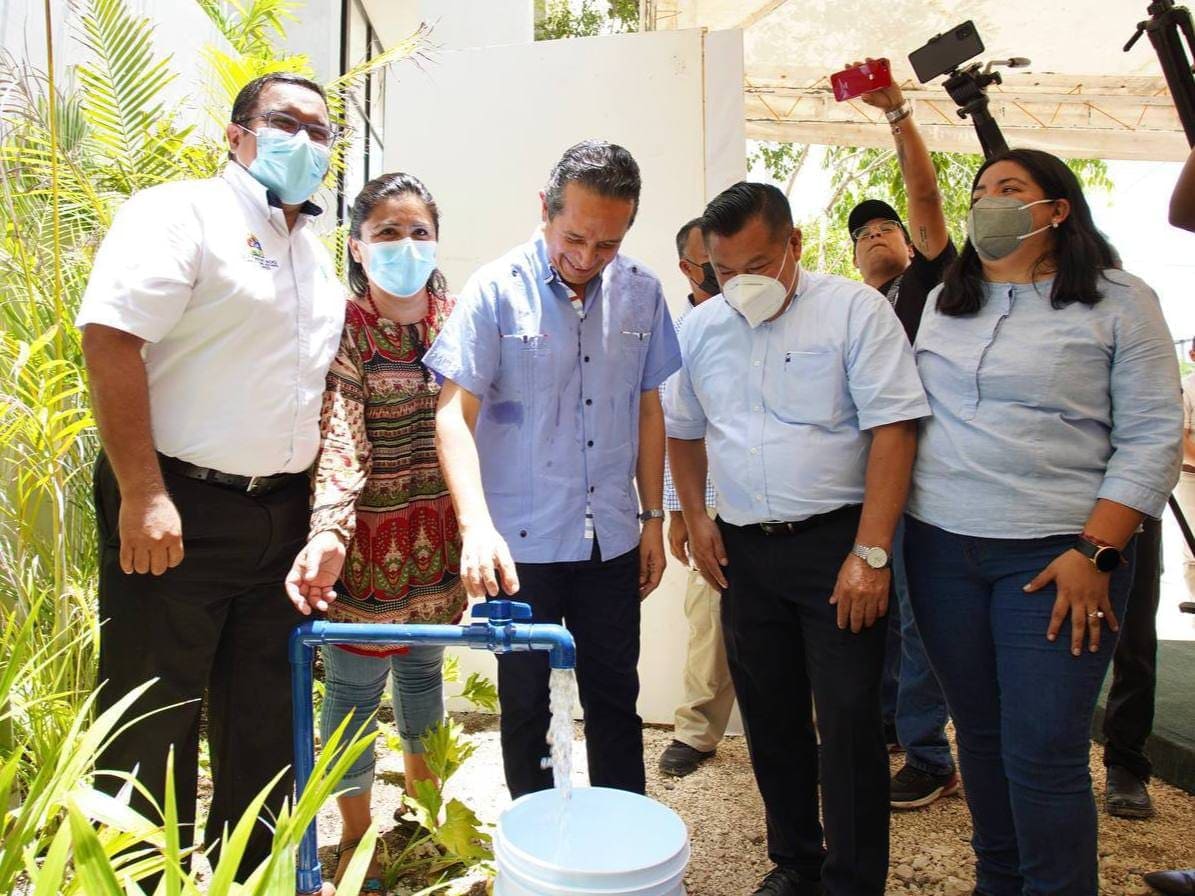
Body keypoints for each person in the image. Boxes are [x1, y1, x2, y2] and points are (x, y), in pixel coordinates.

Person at [77, 72, 345, 886]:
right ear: (238, 134)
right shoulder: (180, 213)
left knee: (264, 726)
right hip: (177, 506)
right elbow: (110, 337)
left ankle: (248, 878)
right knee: (152, 725)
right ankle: (137, 881)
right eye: (284, 123)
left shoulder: (312, 250)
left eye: (320, 132)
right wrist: (144, 492)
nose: (304, 142)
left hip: (280, 523)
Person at [904, 148, 1182, 896]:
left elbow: (1153, 432)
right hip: (939, 552)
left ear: (1056, 210)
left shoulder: (1120, 299)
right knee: (984, 741)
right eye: (979, 191)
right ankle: (998, 883)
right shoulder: (943, 302)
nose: (987, 201)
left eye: (1009, 189)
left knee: (1043, 750)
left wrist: (1095, 551)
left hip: (1057, 557)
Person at [667, 182, 929, 896]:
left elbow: (894, 430)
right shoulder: (698, 330)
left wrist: (871, 553)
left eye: (756, 262)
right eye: (723, 270)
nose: (740, 283)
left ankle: (851, 881)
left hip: (837, 546)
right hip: (743, 553)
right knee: (770, 714)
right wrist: (692, 515)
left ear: (794, 245)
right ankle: (795, 863)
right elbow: (683, 433)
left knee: (847, 723)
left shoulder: (854, 312)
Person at [426, 140, 681, 798]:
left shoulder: (642, 293)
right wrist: (475, 527)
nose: (587, 258)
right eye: (574, 237)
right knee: (525, 711)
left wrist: (653, 518)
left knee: (614, 702)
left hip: (612, 542)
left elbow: (648, 411)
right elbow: (453, 412)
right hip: (520, 547)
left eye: (607, 245)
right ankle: (538, 851)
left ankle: (621, 848)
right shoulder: (494, 290)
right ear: (544, 209)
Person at [284, 172, 466, 892]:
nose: (404, 244)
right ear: (357, 247)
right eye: (387, 232)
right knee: (354, 691)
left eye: (418, 231)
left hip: (440, 545)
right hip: (367, 547)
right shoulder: (347, 328)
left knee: (424, 675)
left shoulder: (457, 320)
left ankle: (423, 813)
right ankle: (357, 837)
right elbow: (341, 436)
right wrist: (330, 530)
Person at [844, 56, 960, 810]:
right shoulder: (851, 315)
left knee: (918, 622)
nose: (878, 236)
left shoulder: (927, 287)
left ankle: (926, 754)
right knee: (881, 618)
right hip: (873, 488)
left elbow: (922, 195)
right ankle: (895, 728)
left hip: (938, 484)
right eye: (862, 234)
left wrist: (896, 114)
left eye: (887, 227)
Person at [657, 217, 735, 778]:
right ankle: (698, 733)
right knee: (709, 624)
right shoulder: (680, 332)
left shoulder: (774, 316)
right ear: (689, 266)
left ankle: (813, 733)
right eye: (707, 253)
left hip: (780, 505)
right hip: (708, 506)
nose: (721, 260)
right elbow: (672, 429)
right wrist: (680, 511)